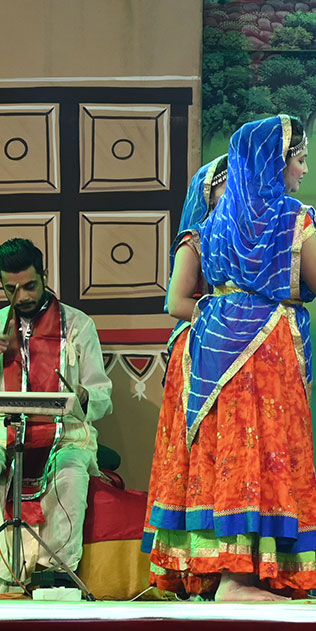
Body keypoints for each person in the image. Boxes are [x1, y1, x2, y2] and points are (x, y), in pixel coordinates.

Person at [144, 114, 316, 601]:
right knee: (263, 452)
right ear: (273, 164)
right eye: (299, 160)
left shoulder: (214, 222)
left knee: (227, 451)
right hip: (264, 347)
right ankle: (239, 580)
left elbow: (190, 296)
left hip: (215, 344)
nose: (304, 170)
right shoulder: (288, 216)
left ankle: (226, 572)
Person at [0, 237, 114, 592]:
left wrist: (83, 395)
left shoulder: (78, 325)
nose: (22, 296)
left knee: (70, 474)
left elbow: (102, 397)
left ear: (44, 275)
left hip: (66, 436)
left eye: (29, 286)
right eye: (11, 289)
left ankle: (56, 576)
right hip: (4, 436)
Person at [140, 155, 223, 565]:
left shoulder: (245, 238)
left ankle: (226, 555)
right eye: (228, 186)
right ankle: (192, 558)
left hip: (231, 347)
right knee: (198, 446)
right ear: (210, 194)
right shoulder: (197, 239)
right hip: (199, 349)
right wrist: (230, 316)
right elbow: (175, 303)